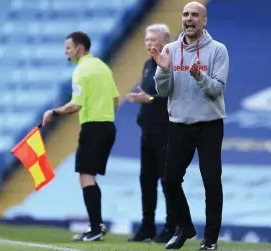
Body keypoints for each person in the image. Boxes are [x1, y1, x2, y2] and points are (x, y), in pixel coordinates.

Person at [150, 1, 230, 250]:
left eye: (195, 15)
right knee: (170, 179)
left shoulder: (218, 50)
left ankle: (210, 240)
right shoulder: (171, 50)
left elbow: (217, 89)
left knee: (211, 181)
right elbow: (162, 90)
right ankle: (184, 226)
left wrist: (199, 76)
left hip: (209, 124)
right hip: (180, 124)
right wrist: (163, 70)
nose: (189, 19)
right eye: (185, 14)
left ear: (204, 21)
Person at [41, 31, 119, 242]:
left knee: (86, 176)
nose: (65, 52)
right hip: (107, 126)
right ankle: (97, 224)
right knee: (89, 175)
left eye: (68, 47)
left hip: (93, 127)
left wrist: (53, 112)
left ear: (79, 47)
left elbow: (75, 105)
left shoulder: (81, 70)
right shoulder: (102, 66)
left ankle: (95, 229)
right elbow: (115, 98)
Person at [126, 23, 176, 243]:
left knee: (168, 181)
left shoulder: (173, 63)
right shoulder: (148, 64)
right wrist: (141, 97)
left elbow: (176, 95)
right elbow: (148, 91)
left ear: (164, 41)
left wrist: (151, 99)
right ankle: (147, 225)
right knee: (146, 180)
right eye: (146, 39)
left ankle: (172, 227)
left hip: (166, 130)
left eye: (152, 40)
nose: (147, 43)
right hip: (147, 129)